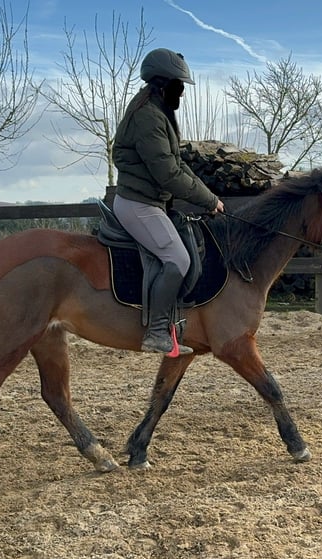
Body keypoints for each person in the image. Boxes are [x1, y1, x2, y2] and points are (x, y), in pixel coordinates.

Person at [112, 48, 225, 355]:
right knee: (178, 259)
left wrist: (210, 198)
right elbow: (168, 174)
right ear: (164, 85)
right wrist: (207, 199)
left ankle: (173, 324)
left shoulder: (159, 113)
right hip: (138, 204)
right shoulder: (148, 118)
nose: (183, 93)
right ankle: (156, 332)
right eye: (180, 86)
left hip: (151, 203)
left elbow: (178, 163)